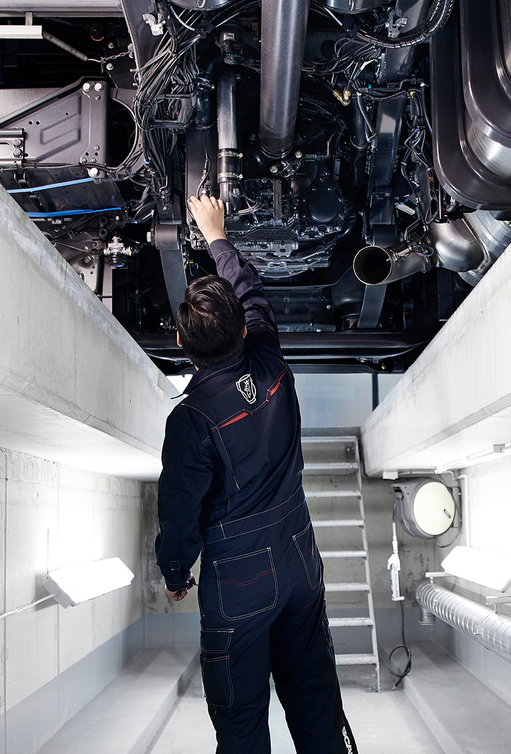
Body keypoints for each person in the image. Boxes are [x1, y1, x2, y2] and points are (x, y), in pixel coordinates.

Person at [155, 194, 359, 754]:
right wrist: (215, 234)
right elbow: (249, 290)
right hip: (298, 555)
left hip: (236, 581)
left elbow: (179, 514)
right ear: (243, 332)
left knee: (242, 727)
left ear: (180, 346)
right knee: (316, 705)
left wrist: (175, 572)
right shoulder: (269, 359)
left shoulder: (191, 421)